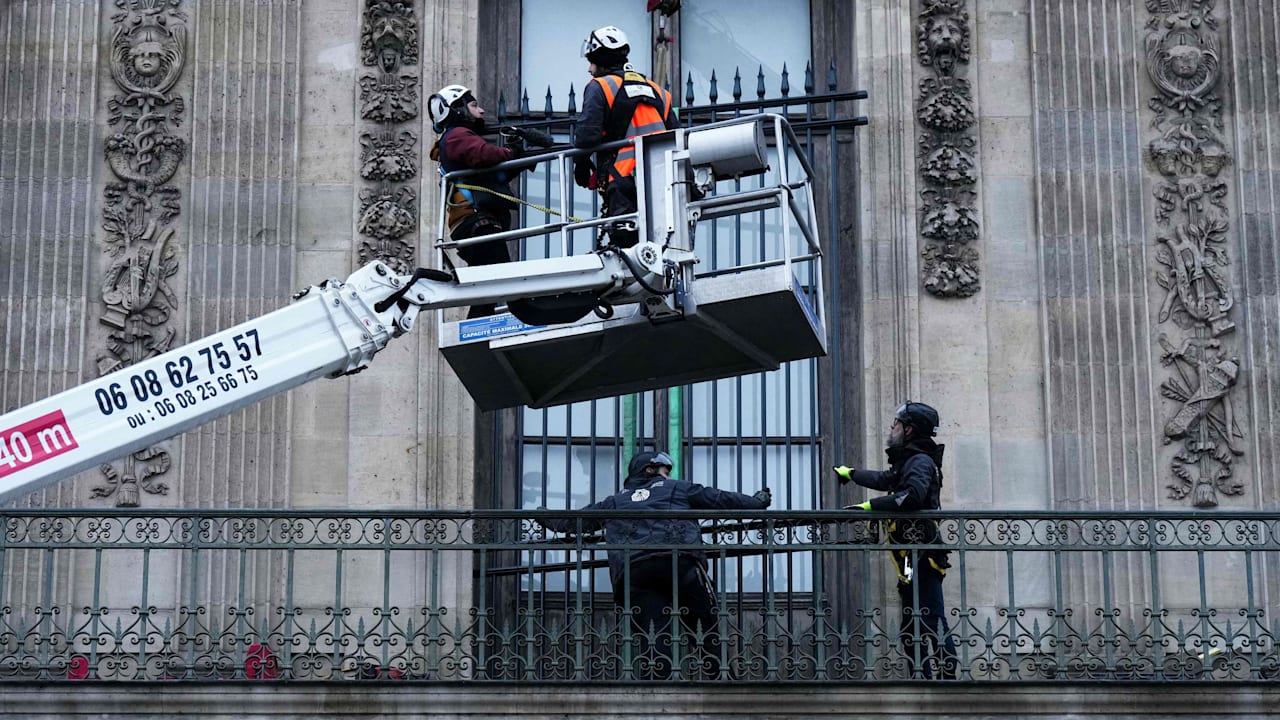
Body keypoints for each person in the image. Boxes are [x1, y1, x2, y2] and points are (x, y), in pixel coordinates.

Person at [537, 450, 771, 679]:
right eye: (665, 471)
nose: (668, 476)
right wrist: (756, 502)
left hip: (635, 570)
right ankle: (721, 678)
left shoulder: (616, 501)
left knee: (654, 630)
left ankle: (659, 684)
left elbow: (575, 522)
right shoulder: (676, 487)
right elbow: (719, 499)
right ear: (650, 470)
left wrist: (544, 516)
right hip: (679, 562)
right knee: (703, 623)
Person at [833, 401, 959, 679]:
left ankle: (947, 679)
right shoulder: (910, 460)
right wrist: (851, 474)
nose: (891, 428)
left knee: (931, 618)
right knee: (911, 627)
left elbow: (911, 496)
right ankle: (923, 676)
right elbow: (886, 479)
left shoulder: (920, 462)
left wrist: (867, 508)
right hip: (908, 559)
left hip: (922, 554)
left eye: (896, 424)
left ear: (909, 429)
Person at [572, 26, 679, 249]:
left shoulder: (600, 87)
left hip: (624, 180)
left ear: (601, 60)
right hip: (664, 180)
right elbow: (677, 136)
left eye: (591, 62)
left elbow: (586, 137)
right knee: (668, 247)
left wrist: (581, 167)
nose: (589, 70)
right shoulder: (658, 91)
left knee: (627, 254)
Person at [429, 84, 521, 318]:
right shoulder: (458, 136)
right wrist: (510, 153)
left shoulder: (455, 139)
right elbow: (484, 155)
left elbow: (489, 174)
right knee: (501, 277)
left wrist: (517, 161)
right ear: (458, 110)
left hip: (474, 223)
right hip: (477, 221)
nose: (481, 111)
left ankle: (476, 327)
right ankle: (525, 313)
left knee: (488, 281)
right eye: (474, 105)